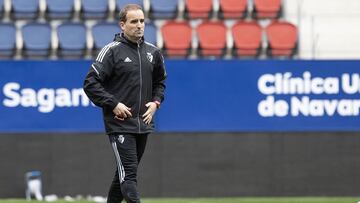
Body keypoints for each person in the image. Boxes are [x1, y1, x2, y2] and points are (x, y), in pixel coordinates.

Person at [83, 4, 166, 203]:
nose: (139, 25)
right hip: (119, 123)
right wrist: (113, 104)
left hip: (143, 123)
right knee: (129, 174)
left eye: (142, 21)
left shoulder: (153, 53)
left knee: (123, 175)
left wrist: (155, 103)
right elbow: (90, 83)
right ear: (122, 25)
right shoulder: (111, 51)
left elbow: (160, 83)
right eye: (134, 21)